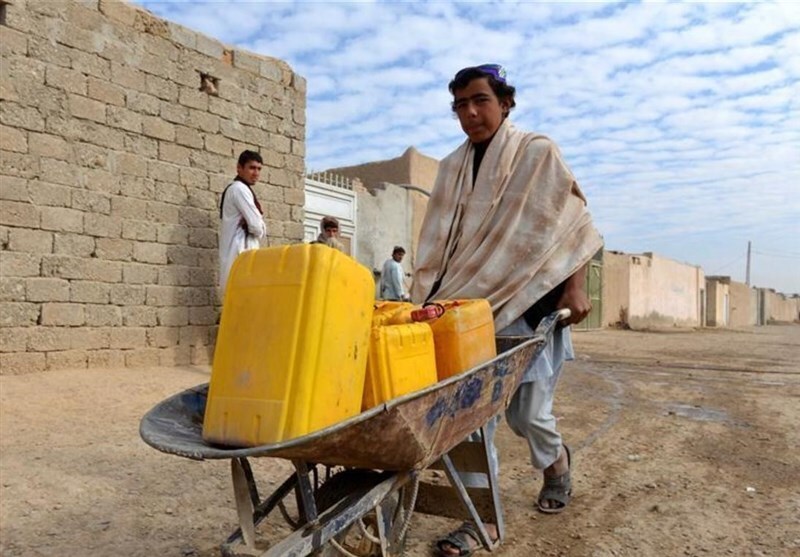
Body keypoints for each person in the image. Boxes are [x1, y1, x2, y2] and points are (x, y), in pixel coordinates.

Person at [411, 64, 603, 556]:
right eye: (460, 105)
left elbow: (575, 223)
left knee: (527, 416)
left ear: (505, 102)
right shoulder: (452, 168)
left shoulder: (537, 153)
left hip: (531, 311)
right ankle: (481, 521)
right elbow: (440, 242)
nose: (470, 113)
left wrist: (575, 289)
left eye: (480, 100)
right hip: (467, 313)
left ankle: (556, 463)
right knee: (470, 419)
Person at [218, 150, 266, 294]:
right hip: (240, 257)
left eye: (259, 169)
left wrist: (256, 226)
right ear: (239, 168)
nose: (256, 173)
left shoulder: (241, 189)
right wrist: (259, 227)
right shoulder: (239, 189)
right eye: (252, 168)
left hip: (240, 259)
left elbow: (257, 226)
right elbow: (258, 227)